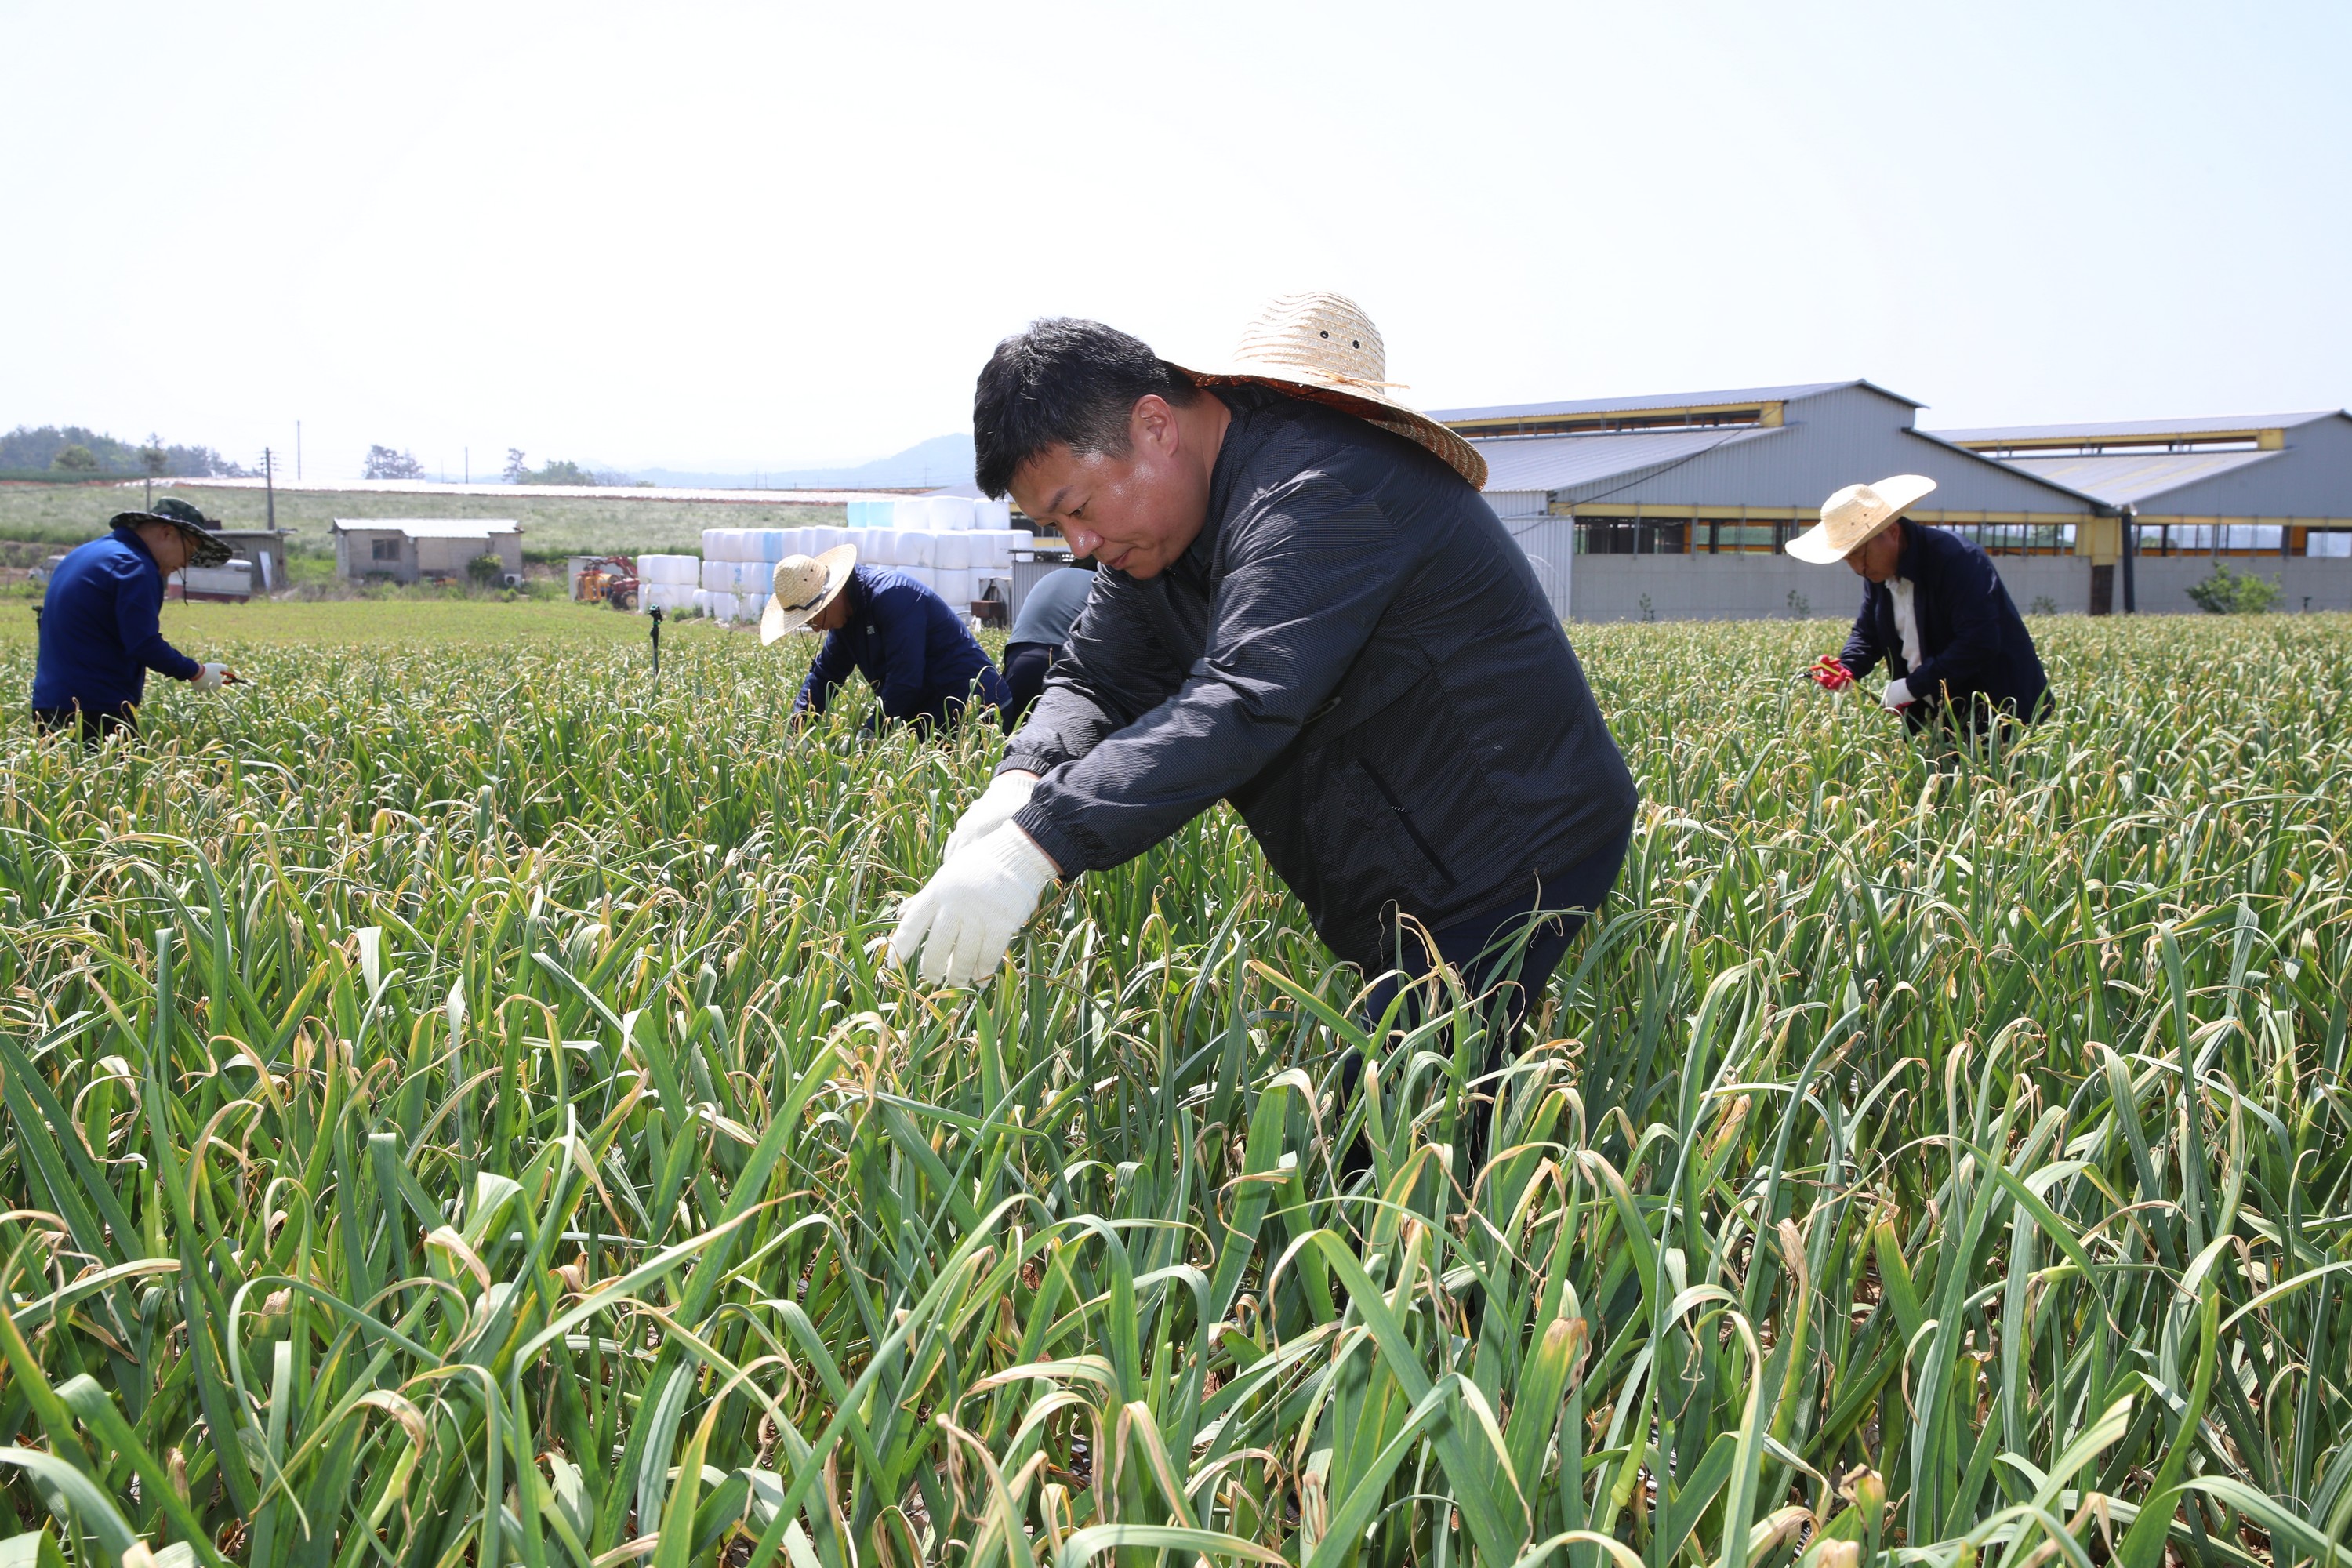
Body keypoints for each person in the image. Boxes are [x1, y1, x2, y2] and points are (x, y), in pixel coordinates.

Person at [889, 293, 1638, 1085]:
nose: (1080, 543)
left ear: (1154, 426)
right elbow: (1095, 674)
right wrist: (1023, 775)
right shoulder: (1160, 533)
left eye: (1077, 507)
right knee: (1418, 1113)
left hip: (1512, 853)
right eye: (1054, 524)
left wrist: (1038, 841)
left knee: (1379, 1141)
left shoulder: (1320, 488)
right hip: (1405, 851)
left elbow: (1245, 699)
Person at [1791, 474, 2049, 739]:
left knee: (1984, 777)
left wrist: (1912, 686)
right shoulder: (1879, 572)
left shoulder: (1956, 560)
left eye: (1861, 554)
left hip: (1998, 710)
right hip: (1935, 710)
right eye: (1849, 559)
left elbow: (1978, 642)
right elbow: (1868, 632)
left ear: (1892, 532)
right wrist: (1849, 666)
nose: (1859, 568)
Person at [31, 500, 240, 744]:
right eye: (190, 551)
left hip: (48, 702)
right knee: (122, 781)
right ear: (167, 533)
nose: (186, 564)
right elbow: (143, 644)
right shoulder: (135, 566)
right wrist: (197, 672)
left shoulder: (83, 554)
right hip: (95, 707)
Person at [760, 543, 1012, 732]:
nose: (816, 629)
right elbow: (825, 676)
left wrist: (870, 733)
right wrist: (797, 727)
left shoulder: (894, 597)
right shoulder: (845, 619)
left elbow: (905, 680)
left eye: (814, 619)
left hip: (979, 712)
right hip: (932, 720)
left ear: (830, 598)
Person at [997, 561, 1095, 722]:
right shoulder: (1103, 586)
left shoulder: (1052, 577)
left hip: (1021, 660)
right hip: (1064, 664)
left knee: (1011, 738)